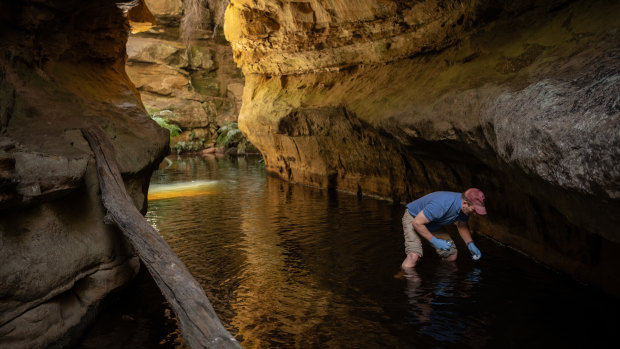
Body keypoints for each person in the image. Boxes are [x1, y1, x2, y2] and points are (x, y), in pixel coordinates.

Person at [401, 188, 486, 269]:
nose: (475, 213)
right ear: (464, 203)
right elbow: (417, 223)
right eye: (474, 210)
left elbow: (462, 225)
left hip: (432, 222)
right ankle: (403, 274)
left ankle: (442, 277)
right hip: (414, 218)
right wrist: (434, 241)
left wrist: (470, 244)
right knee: (414, 256)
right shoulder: (443, 204)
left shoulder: (464, 209)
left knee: (451, 255)